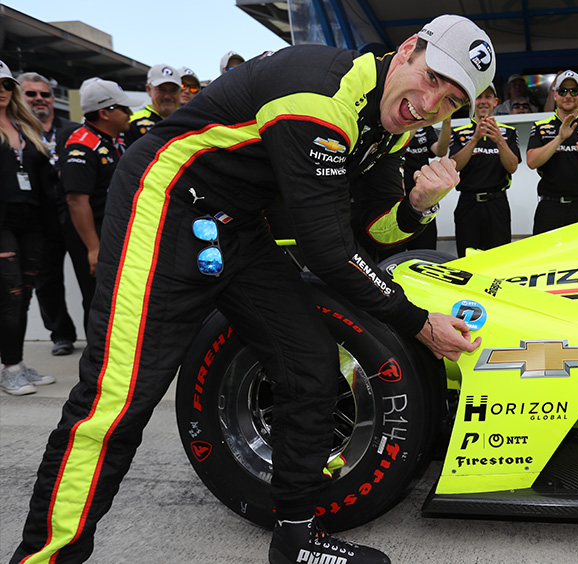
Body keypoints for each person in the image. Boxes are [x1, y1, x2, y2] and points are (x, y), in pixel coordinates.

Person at [7, 14, 491, 564]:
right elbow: (327, 250)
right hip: (163, 204)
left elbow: (374, 231)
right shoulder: (322, 92)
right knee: (114, 403)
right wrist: (420, 324)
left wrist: (417, 206)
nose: (430, 105)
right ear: (407, 50)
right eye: (432, 79)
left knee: (309, 365)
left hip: (236, 225)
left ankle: (295, 540)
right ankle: (43, 558)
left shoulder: (388, 125)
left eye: (451, 100)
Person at [0, 60, 56, 395]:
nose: (2, 92)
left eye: (7, 85)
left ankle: (16, 363)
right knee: (11, 295)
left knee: (23, 298)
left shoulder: (26, 125)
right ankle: (10, 369)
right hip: (2, 223)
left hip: (33, 221)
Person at [59, 78, 132, 327]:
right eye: (124, 109)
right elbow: (76, 201)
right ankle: (97, 361)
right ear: (105, 113)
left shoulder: (115, 142)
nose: (130, 114)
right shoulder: (82, 144)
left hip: (113, 229)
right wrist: (93, 248)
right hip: (93, 234)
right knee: (98, 300)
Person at [18, 71, 80, 356]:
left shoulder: (74, 130)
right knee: (47, 281)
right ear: (20, 97)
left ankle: (98, 335)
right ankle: (61, 335)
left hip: (77, 215)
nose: (39, 99)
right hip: (40, 219)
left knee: (92, 278)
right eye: (31, 94)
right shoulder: (15, 132)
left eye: (44, 94)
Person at [527, 70, 578, 234]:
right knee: (547, 258)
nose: (568, 95)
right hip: (549, 207)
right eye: (563, 91)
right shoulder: (540, 126)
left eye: (573, 91)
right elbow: (532, 162)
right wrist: (559, 138)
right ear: (555, 95)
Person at [449, 83, 521, 256]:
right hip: (468, 204)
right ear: (470, 102)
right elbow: (454, 166)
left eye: (487, 97)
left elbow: (512, 167)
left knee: (499, 260)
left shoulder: (509, 132)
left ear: (495, 102)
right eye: (478, 97)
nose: (483, 102)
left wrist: (499, 140)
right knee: (467, 261)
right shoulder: (459, 133)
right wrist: (474, 139)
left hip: (497, 204)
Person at [390, 121, 449, 255]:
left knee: (425, 254)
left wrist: (447, 121)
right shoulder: (395, 126)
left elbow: (440, 150)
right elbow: (401, 145)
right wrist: (416, 121)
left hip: (423, 202)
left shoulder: (426, 128)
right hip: (397, 200)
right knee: (394, 255)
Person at [123, 63, 181, 148]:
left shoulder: (189, 121)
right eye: (161, 90)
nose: (167, 96)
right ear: (149, 90)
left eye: (173, 90)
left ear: (180, 92)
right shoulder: (131, 121)